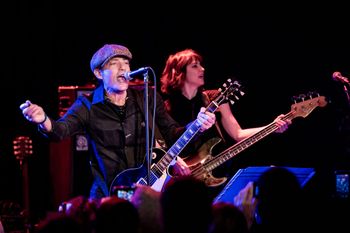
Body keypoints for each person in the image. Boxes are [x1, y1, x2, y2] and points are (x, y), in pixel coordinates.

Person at [19, 44, 216, 199]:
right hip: (108, 195)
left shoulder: (147, 98)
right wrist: (43, 119)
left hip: (147, 192)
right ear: (99, 73)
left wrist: (197, 125)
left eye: (126, 63)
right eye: (114, 63)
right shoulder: (86, 105)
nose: (123, 68)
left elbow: (172, 133)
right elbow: (59, 130)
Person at [160, 49, 291, 185]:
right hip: (181, 179)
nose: (202, 69)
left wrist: (272, 126)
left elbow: (238, 134)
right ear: (179, 73)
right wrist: (175, 161)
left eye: (201, 65)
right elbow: (160, 146)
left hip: (218, 171)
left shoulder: (213, 98)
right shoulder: (165, 108)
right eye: (195, 66)